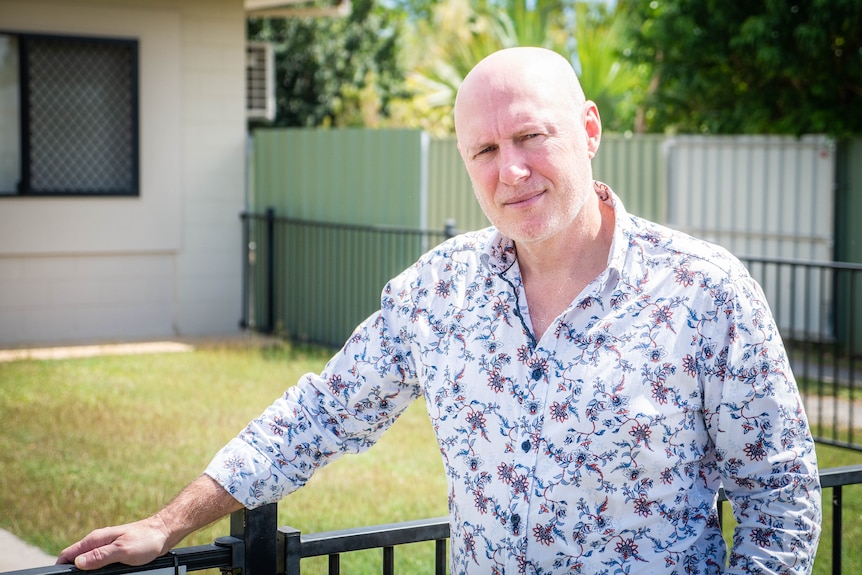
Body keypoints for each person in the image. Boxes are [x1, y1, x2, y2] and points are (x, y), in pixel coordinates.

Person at [58, 47, 821, 574]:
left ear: (589, 130)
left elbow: (779, 501)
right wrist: (169, 521)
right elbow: (321, 413)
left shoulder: (706, 292)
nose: (510, 170)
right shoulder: (437, 294)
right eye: (483, 151)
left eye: (530, 136)